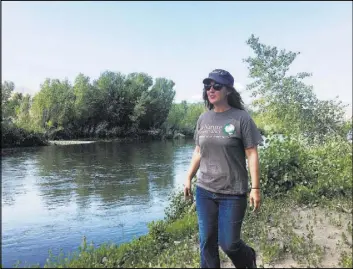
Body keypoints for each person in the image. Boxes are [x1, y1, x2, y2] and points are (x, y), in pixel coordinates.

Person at [184, 69, 263, 268]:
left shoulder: (241, 118)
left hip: (233, 192)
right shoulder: (203, 119)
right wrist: (188, 177)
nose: (211, 90)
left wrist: (255, 188)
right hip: (205, 190)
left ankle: (248, 258)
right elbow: (198, 151)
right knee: (207, 242)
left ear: (228, 90)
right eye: (207, 86)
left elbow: (251, 153)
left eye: (216, 86)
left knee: (229, 243)